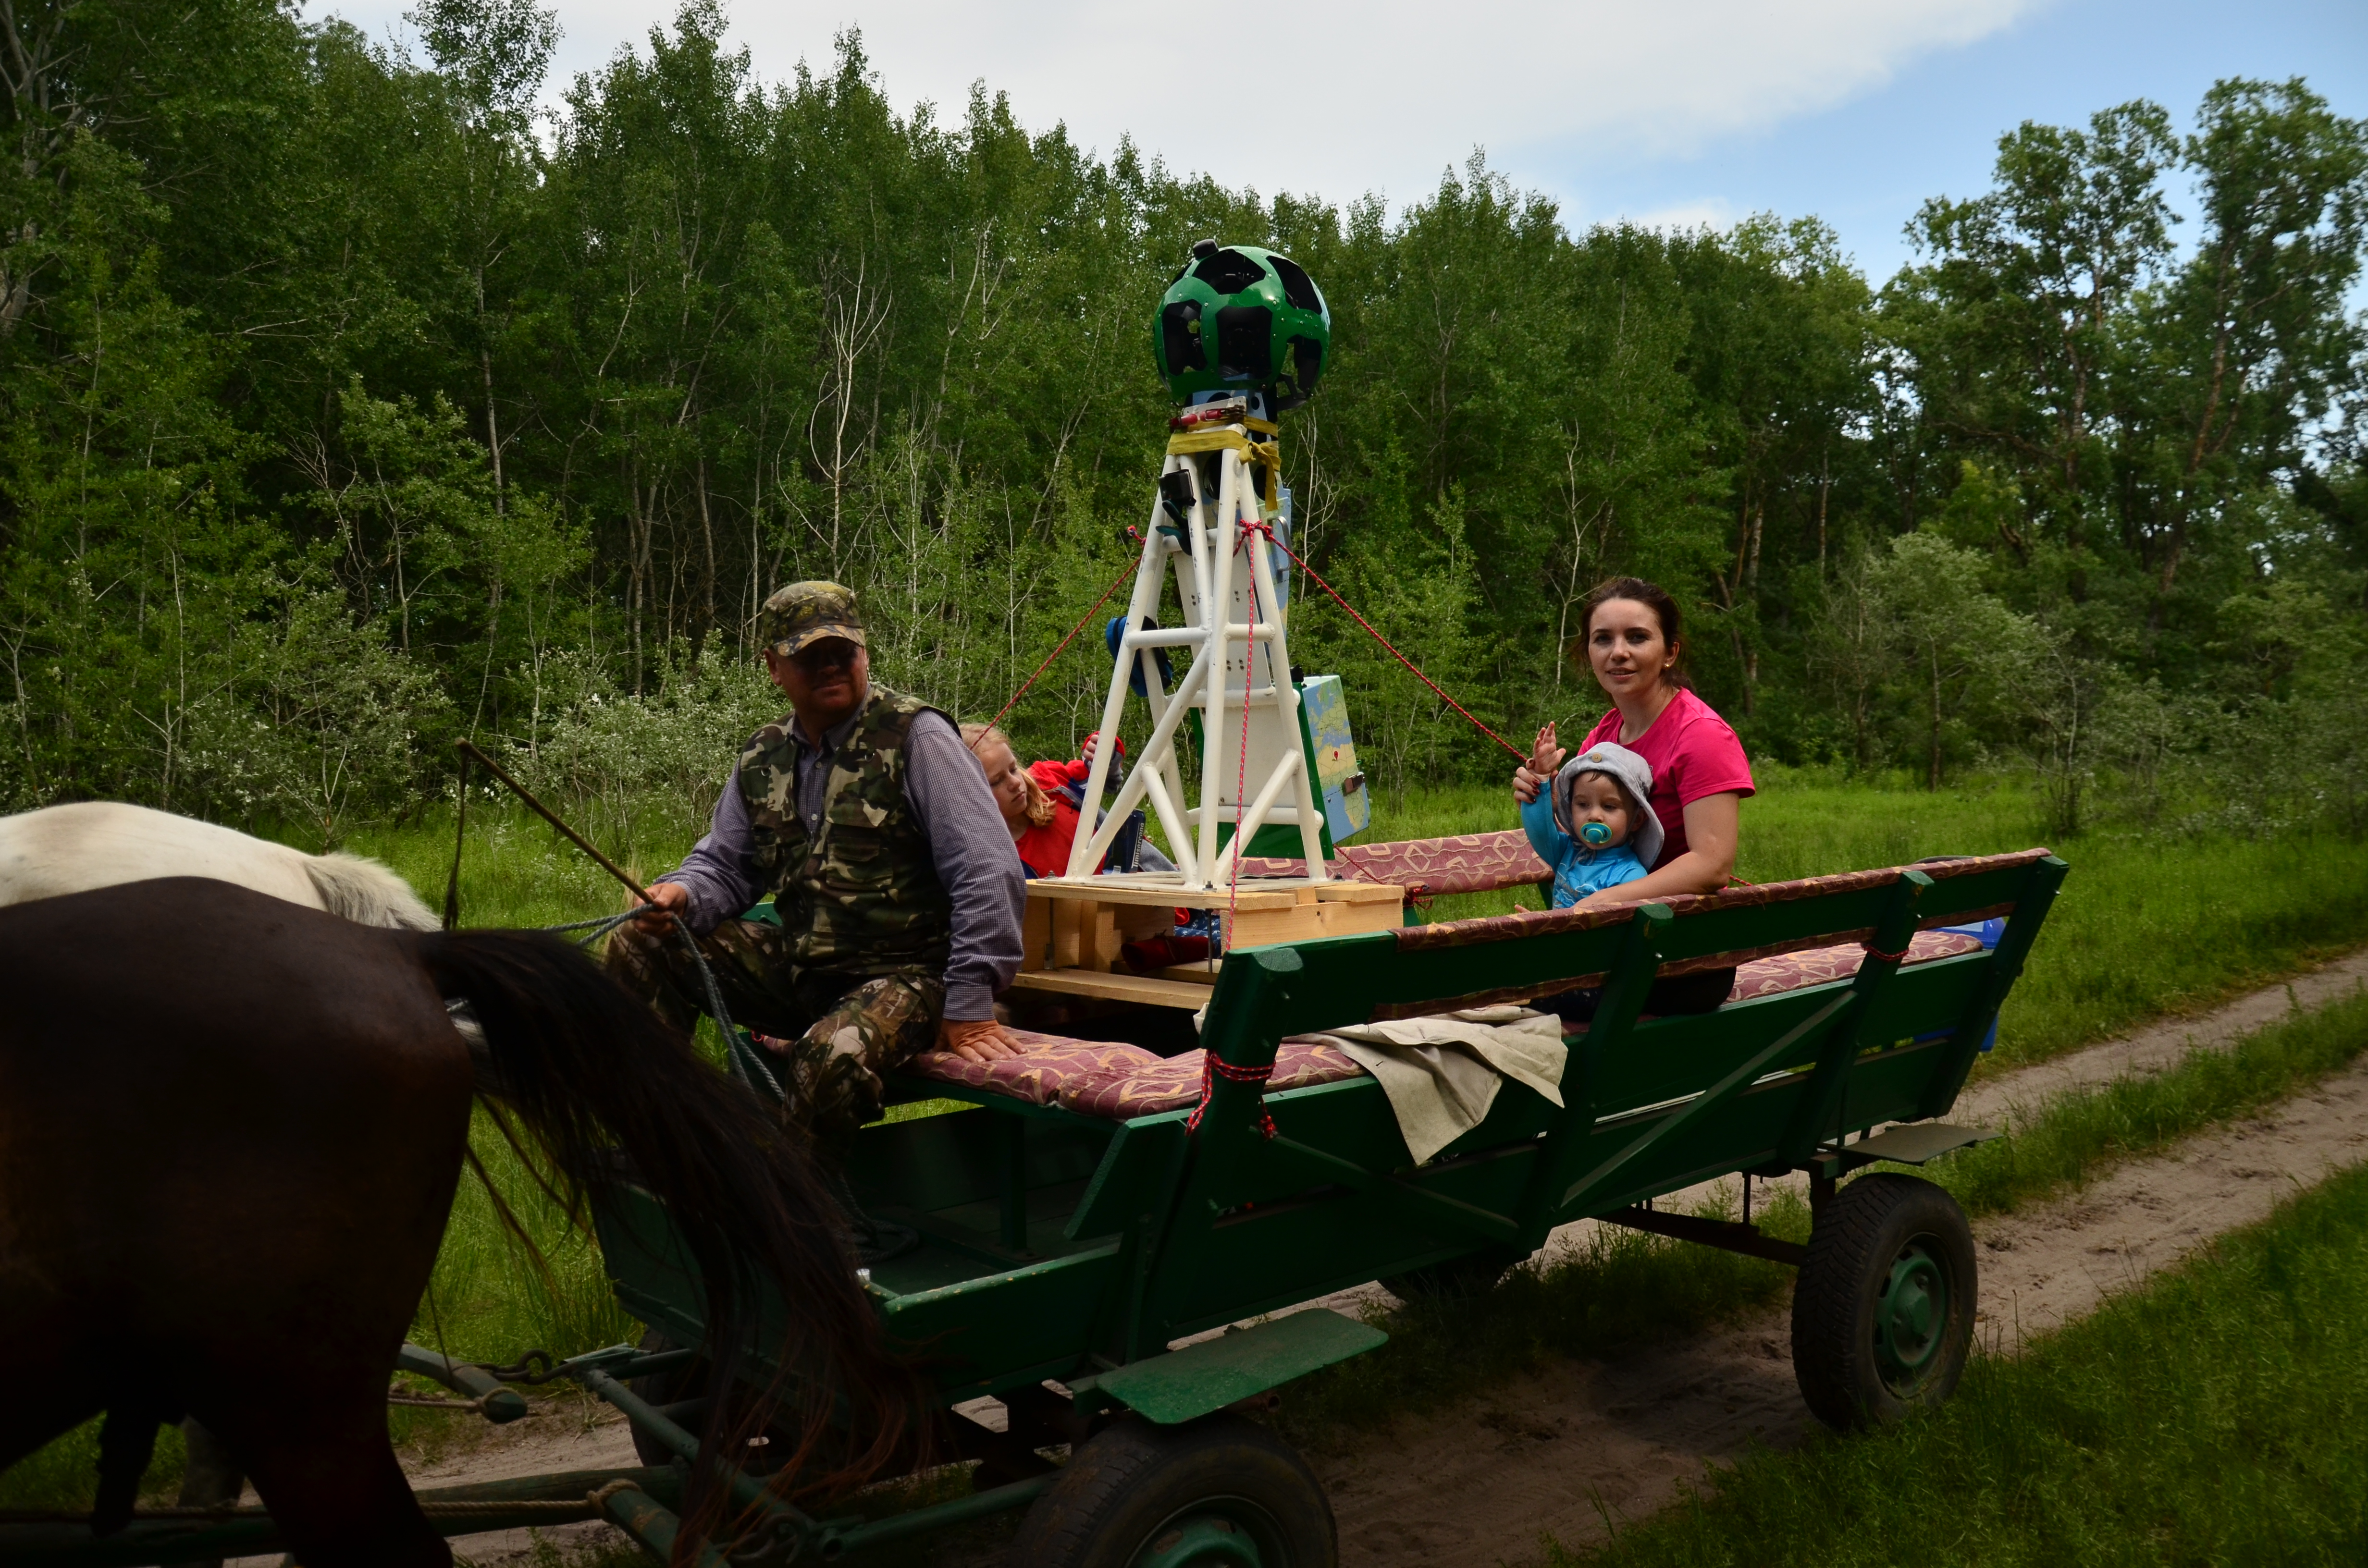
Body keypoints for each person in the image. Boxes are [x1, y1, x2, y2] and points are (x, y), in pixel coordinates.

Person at [608, 581, 1026, 1150]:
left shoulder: (917, 736)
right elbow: (726, 866)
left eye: (842, 653)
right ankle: (668, 1145)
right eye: (810, 657)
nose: (829, 667)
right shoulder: (763, 755)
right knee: (641, 942)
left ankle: (798, 1220)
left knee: (829, 1058)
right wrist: (680, 893)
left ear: (864, 655)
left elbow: (987, 869)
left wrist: (971, 1001)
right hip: (804, 970)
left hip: (907, 976)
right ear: (774, 667)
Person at [1514, 575, 1754, 1013]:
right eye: (1602, 639)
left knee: (1520, 997)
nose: (1617, 652)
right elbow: (1582, 834)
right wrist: (1540, 793)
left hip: (1684, 957)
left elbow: (1712, 864)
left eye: (1637, 637)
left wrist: (1604, 902)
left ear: (1670, 652)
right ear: (1588, 652)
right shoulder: (1606, 736)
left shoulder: (1700, 737)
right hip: (1615, 940)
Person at [962, 723, 1174, 880]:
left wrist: (1102, 752)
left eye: (1013, 769)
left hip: (1161, 887)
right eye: (996, 781)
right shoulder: (992, 860)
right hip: (1114, 928)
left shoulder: (1049, 781)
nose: (1015, 783)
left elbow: (1106, 779)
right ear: (965, 796)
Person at [1518, 741, 1656, 908]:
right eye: (1583, 805)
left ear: (1637, 820)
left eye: (1609, 807)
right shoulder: (1567, 851)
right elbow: (1540, 830)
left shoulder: (1631, 876)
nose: (1594, 816)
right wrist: (1541, 778)